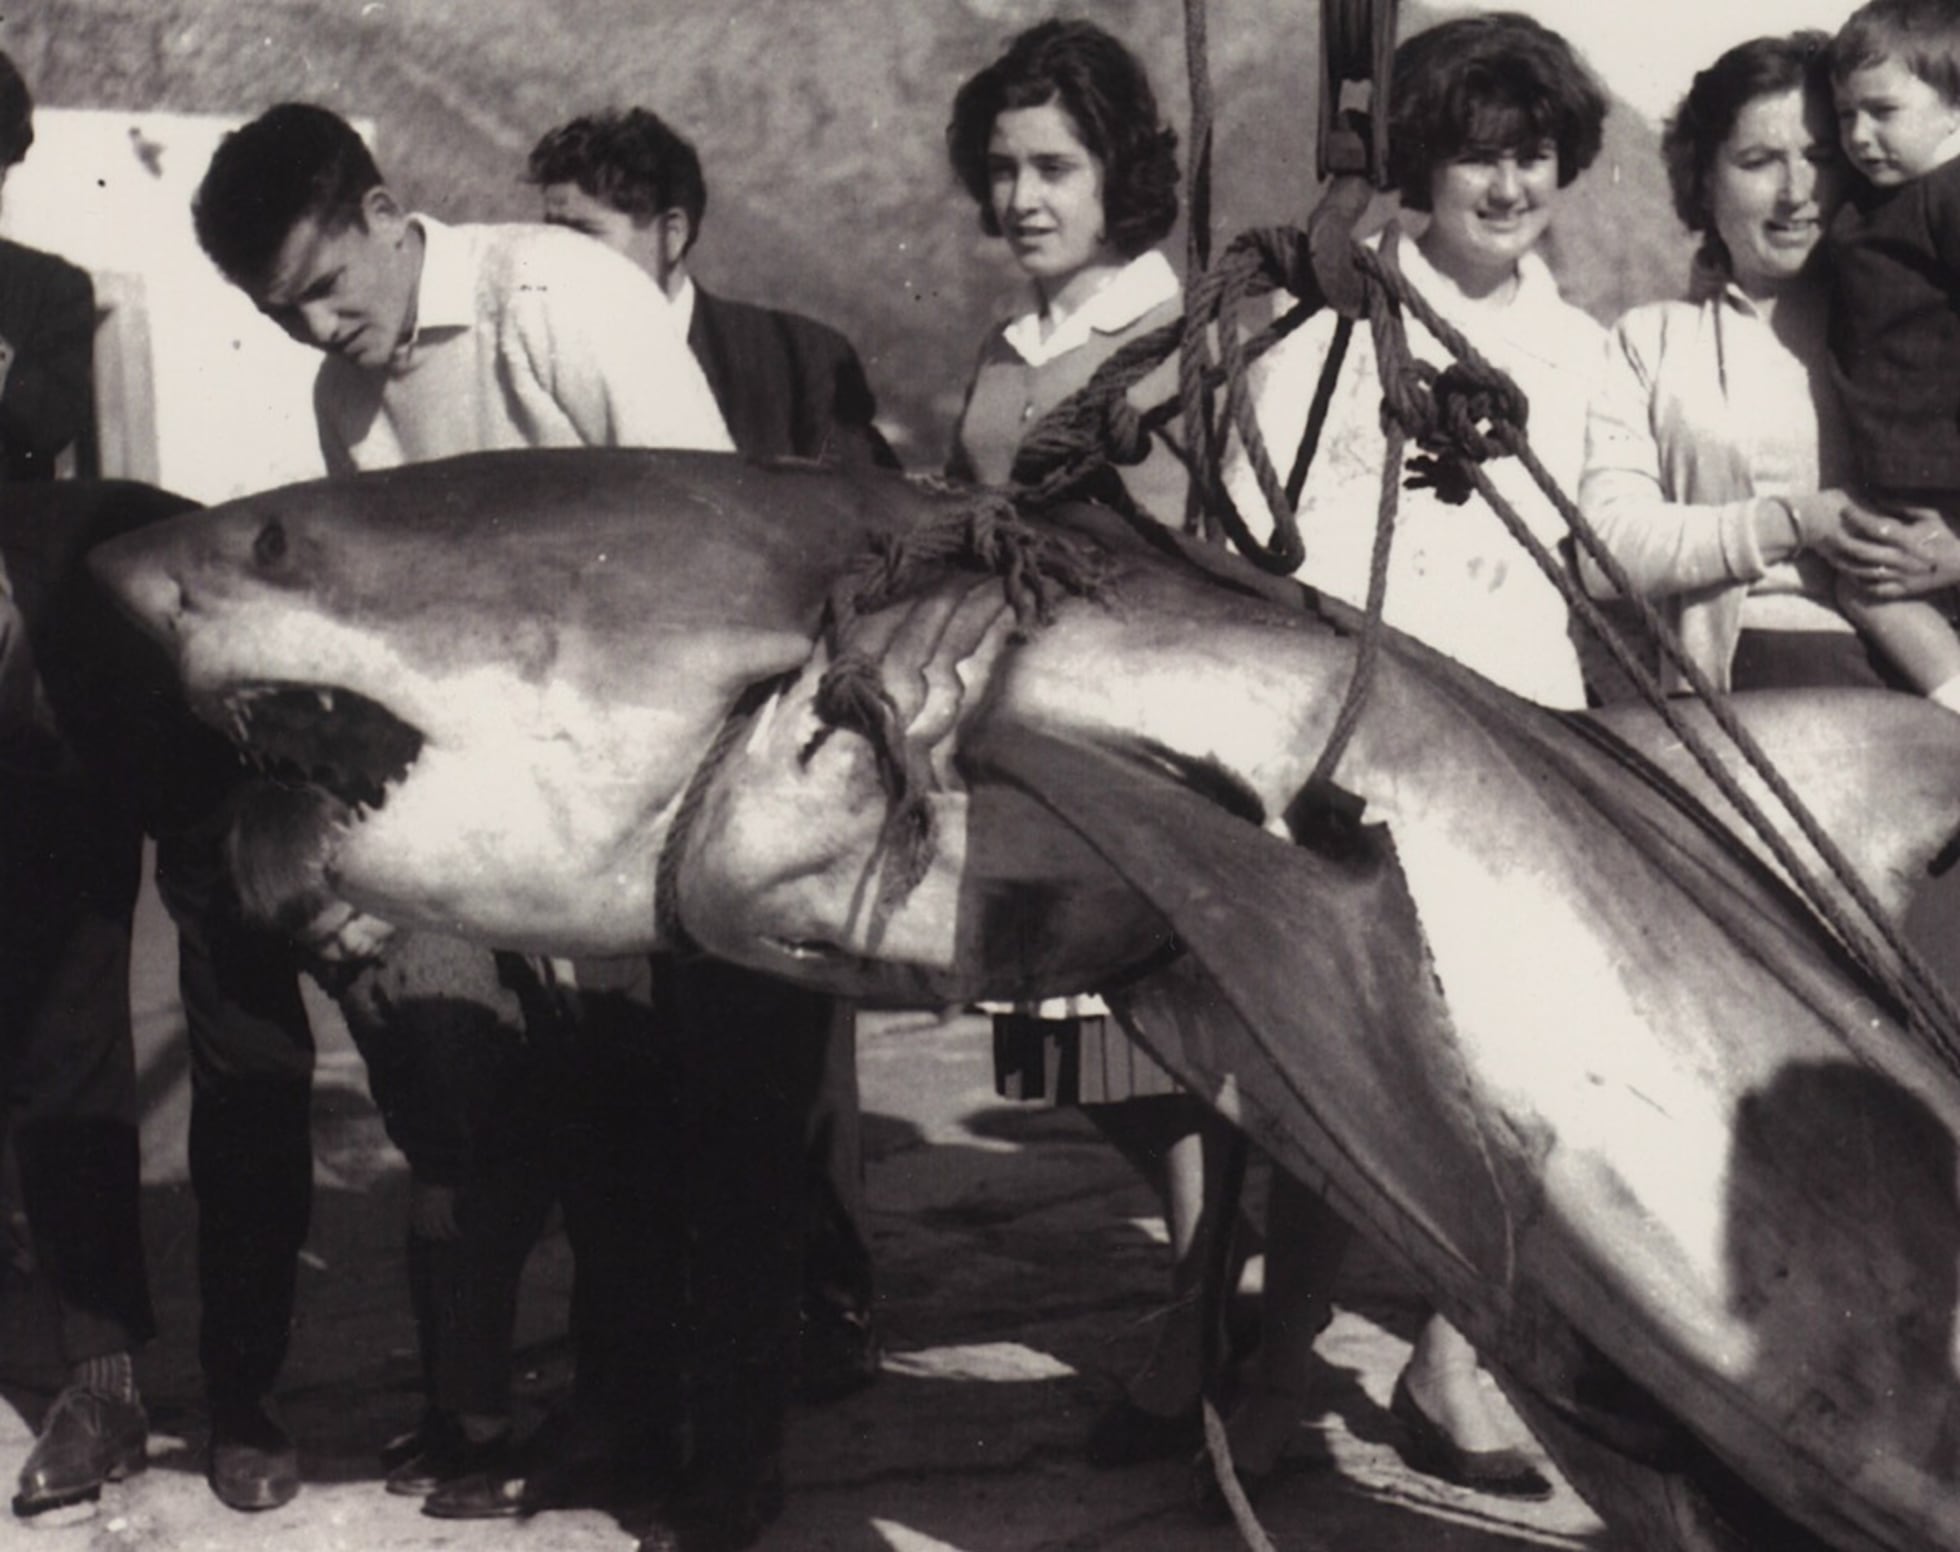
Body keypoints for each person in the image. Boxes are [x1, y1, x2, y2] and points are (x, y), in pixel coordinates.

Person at [193, 104, 763, 1552]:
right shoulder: (350, 406)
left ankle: (726, 1457)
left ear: (388, 214)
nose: (325, 329)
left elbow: (723, 529)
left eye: (331, 286)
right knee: (590, 1124)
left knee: (706, 1126)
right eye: (286, 315)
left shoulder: (558, 298)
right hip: (533, 810)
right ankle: (620, 1410)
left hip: (682, 773)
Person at [1224, 9, 1615, 1501]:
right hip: (1363, 744)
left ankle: (1451, 1359)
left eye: (1530, 157)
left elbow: (1589, 543)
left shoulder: (1577, 354)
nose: (1506, 187)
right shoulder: (1334, 319)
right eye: (1474, 157)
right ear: (1420, 167)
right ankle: (1274, 1349)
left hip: (1521, 749)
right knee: (1337, 1079)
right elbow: (1275, 534)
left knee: (1502, 1082)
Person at [945, 20, 1309, 1515]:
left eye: (1055, 166)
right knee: (1066, 1048)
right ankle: (1204, 1288)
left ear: (1121, 175)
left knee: (1169, 1043)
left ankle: (1195, 1324)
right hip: (1024, 740)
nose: (1024, 196)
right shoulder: (1009, 343)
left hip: (1148, 746)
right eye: (1002, 169)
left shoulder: (1188, 333)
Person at [526, 104, 891, 1409]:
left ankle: (829, 1303)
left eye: (583, 234)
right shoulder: (542, 372)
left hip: (778, 773)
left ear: (672, 230)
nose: (549, 264)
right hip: (621, 783)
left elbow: (871, 562)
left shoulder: (797, 363)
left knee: (800, 1069)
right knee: (635, 1080)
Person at [220, 783, 562, 1504]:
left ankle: (484, 1437)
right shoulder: (367, 950)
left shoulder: (433, 960)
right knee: (433, 1271)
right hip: (468, 1136)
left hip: (503, 1136)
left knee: (469, 1281)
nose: (346, 946)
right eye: (322, 942)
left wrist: (442, 1173)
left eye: (350, 921)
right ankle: (449, 1417)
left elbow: (456, 1074)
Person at [0, 52, 153, 1523]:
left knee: (67, 1045)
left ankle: (101, 1387)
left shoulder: (48, 293)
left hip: (39, 715)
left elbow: (47, 435)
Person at [1579, 30, 1894, 693]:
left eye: (1821, 157)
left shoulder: (1923, 327)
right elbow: (1603, 552)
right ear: (1703, 178)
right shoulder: (1651, 340)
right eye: (1759, 161)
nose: (1796, 194)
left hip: (1912, 692)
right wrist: (1792, 522)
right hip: (1722, 709)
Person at [1821, 0, 1960, 708]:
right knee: (1870, 586)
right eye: (1846, 116)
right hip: (1905, 477)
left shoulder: (1948, 196)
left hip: (1942, 473)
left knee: (1871, 586)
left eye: (1883, 111)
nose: (1859, 135)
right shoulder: (1875, 205)